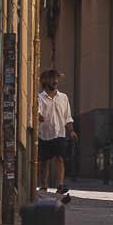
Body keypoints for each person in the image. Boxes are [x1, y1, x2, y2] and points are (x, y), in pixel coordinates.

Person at [37, 67, 75, 200]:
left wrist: (71, 130)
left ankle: (60, 185)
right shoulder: (40, 98)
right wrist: (39, 117)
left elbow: (67, 117)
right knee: (44, 161)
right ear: (45, 81)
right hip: (44, 134)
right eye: (52, 78)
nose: (55, 81)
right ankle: (44, 185)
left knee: (59, 158)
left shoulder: (63, 97)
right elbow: (38, 113)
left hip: (60, 133)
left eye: (56, 78)